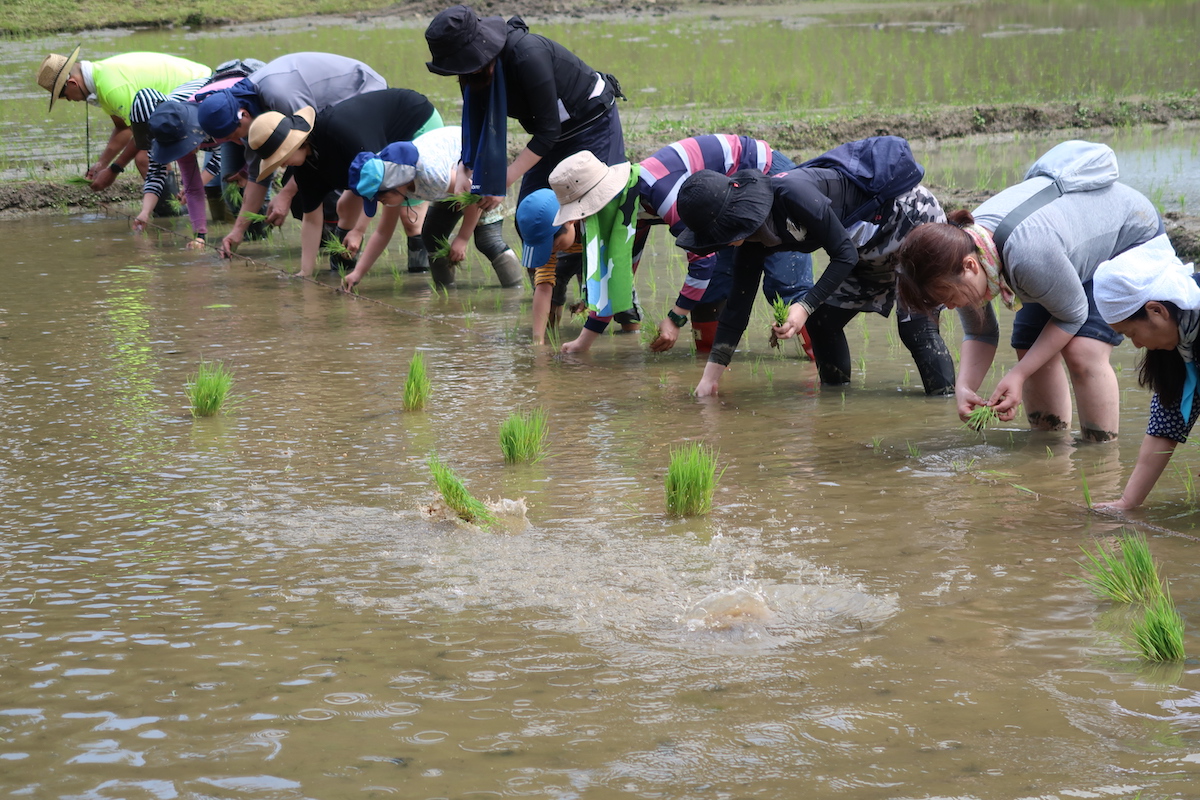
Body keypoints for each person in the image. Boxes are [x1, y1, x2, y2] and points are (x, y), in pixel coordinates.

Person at [895, 143, 1162, 441]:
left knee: (1083, 350)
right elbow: (980, 333)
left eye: (948, 296)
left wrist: (1018, 375)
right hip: (1059, 255)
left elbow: (1073, 315)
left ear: (969, 266)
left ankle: (1100, 454)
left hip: (1126, 239)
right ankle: (1050, 446)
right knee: (1030, 345)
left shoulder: (1026, 256)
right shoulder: (963, 253)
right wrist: (965, 387)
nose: (951, 305)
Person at [674, 161, 954, 397]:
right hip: (864, 244)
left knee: (915, 327)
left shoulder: (792, 194)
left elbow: (843, 255)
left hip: (908, 218)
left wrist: (804, 306)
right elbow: (737, 308)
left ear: (734, 217)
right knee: (823, 322)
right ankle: (835, 401)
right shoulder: (751, 241)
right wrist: (709, 380)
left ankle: (947, 405)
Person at [424, 5, 625, 210]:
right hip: (549, 136)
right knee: (531, 212)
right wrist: (464, 170)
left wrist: (504, 180)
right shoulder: (473, 74)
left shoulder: (528, 55)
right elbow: (478, 125)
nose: (464, 70)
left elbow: (548, 132)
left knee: (591, 208)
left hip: (590, 125)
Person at [194, 52, 388, 259]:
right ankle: (326, 249)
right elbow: (257, 177)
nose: (235, 142)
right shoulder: (253, 117)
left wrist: (285, 195)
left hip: (364, 92)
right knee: (299, 186)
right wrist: (237, 231)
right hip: (328, 115)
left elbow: (316, 144)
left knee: (323, 179)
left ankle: (344, 248)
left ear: (244, 115)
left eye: (233, 135)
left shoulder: (280, 96)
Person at [245, 88, 442, 279]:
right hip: (375, 149)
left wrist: (359, 231)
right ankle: (342, 268)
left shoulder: (340, 133)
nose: (281, 165)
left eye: (281, 158)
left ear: (295, 144)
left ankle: (420, 280)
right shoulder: (306, 167)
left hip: (415, 123)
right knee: (344, 207)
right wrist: (305, 272)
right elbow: (312, 219)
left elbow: (376, 180)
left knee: (410, 220)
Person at [341, 125, 522, 291]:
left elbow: (474, 196)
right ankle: (446, 293)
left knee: (487, 240)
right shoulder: (388, 175)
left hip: (482, 169)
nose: (381, 202)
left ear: (395, 183)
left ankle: (515, 291)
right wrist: (357, 273)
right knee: (433, 236)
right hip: (451, 181)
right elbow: (383, 232)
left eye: (380, 198)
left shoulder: (430, 174)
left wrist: (462, 238)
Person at [1091, 236, 1198, 510]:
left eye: (1131, 333)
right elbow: (1165, 427)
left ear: (1157, 311)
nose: (1137, 345)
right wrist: (1127, 504)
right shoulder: (1178, 345)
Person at [36, 47, 210, 191]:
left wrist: (114, 170)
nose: (68, 100)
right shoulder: (99, 80)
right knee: (148, 153)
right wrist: (102, 164)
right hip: (182, 90)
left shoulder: (112, 88)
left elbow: (144, 134)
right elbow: (124, 128)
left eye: (63, 95)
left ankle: (172, 211)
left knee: (145, 159)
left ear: (73, 83)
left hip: (197, 87)